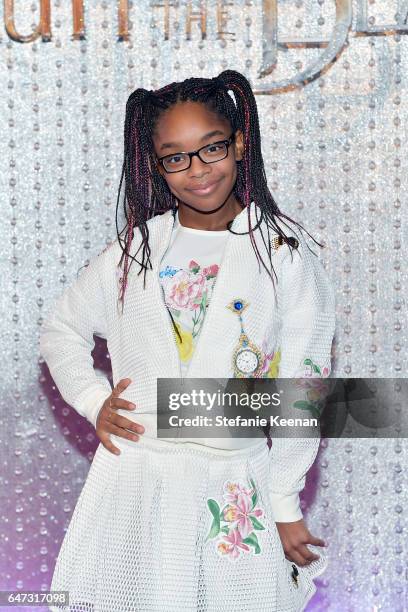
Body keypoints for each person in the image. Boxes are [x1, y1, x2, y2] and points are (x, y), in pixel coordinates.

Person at [40, 69, 336, 612]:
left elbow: (303, 386)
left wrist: (285, 502)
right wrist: (91, 399)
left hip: (233, 483)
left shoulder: (283, 256)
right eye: (175, 157)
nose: (197, 171)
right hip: (137, 481)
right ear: (157, 165)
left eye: (211, 149)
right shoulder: (136, 252)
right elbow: (62, 330)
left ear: (240, 142)